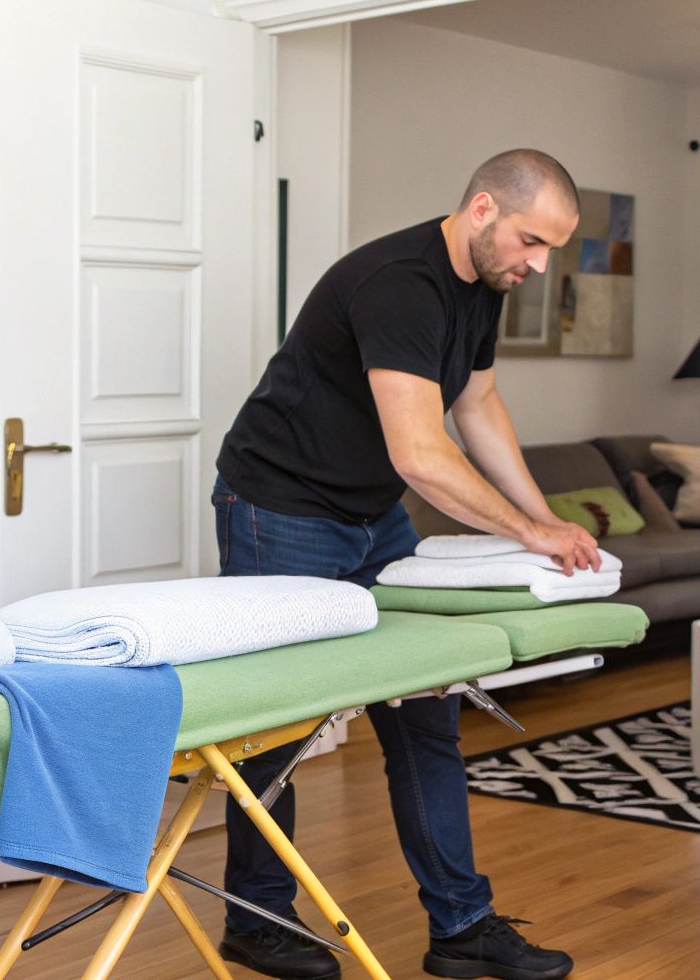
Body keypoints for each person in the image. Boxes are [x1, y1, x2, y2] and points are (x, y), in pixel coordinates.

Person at [210, 149, 601, 980]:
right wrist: (528, 536)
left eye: (552, 251)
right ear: (485, 208)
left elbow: (477, 404)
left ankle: (461, 928)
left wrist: (543, 516)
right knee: (275, 727)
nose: (539, 264)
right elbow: (423, 455)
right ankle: (257, 918)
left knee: (426, 715)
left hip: (370, 518)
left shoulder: (480, 289)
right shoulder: (399, 283)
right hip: (280, 511)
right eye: (534, 241)